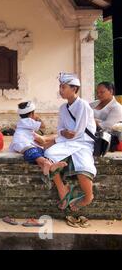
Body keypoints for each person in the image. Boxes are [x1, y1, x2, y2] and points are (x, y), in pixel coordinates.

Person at [36, 73, 96, 212]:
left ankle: (88, 197)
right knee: (49, 154)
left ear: (74, 89)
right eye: (60, 87)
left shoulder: (83, 106)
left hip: (83, 142)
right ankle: (62, 189)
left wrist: (54, 139)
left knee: (83, 168)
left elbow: (78, 133)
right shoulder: (63, 108)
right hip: (68, 142)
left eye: (64, 87)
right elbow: (61, 129)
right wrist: (62, 134)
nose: (61, 90)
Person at [9, 101, 66, 176]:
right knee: (32, 152)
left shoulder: (22, 121)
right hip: (21, 142)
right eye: (34, 113)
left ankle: (49, 166)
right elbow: (43, 126)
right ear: (32, 113)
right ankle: (46, 162)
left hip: (24, 142)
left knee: (37, 153)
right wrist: (37, 118)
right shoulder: (28, 120)